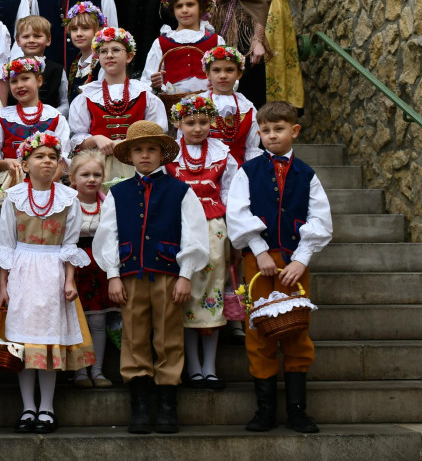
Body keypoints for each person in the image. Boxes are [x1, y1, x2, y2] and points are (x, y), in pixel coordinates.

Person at [94, 120, 209, 434]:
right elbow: (108, 235)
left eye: (151, 149)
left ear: (162, 154)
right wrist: (113, 275)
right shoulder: (118, 194)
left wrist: (186, 274)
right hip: (130, 275)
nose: (145, 155)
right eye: (139, 150)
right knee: (133, 335)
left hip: (169, 275)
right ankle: (141, 405)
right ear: (130, 156)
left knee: (168, 336)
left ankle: (168, 402)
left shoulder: (180, 191)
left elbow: (195, 235)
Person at [226, 100, 333, 434]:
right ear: (259, 133)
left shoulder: (308, 175)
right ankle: (265, 409)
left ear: (294, 131)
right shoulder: (248, 172)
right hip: (257, 263)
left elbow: (320, 218)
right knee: (259, 331)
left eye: (279, 129)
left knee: (296, 329)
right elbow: (238, 213)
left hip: (294, 263)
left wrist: (302, 259)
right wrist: (258, 250)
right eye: (266, 130)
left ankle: (298, 409)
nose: (272, 135)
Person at [0, 131, 95, 434]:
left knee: (48, 343)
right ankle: (27, 407)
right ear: (24, 163)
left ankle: (47, 407)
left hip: (53, 273)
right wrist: (3, 286)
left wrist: (70, 280)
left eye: (52, 156)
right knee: (23, 343)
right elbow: (6, 245)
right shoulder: (13, 198)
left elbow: (70, 245)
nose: (47, 161)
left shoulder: (68, 198)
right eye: (39, 156)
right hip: (22, 271)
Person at [166, 95, 239, 390]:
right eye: (190, 122)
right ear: (178, 123)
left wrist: (234, 237)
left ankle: (209, 366)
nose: (197, 128)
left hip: (214, 227)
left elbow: (231, 197)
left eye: (203, 122)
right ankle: (193, 366)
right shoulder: (169, 154)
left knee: (213, 292)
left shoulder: (223, 153)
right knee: (186, 292)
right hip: (179, 226)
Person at [68, 27, 167, 183]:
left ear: (129, 56)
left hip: (138, 163)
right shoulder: (87, 96)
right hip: (100, 166)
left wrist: (132, 141)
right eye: (103, 51)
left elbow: (157, 134)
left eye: (115, 50)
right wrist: (97, 139)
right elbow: (78, 139)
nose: (109, 55)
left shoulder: (144, 94)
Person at [68, 148, 118, 389]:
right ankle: (79, 371)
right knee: (77, 321)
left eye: (97, 175)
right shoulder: (67, 203)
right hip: (73, 267)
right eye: (85, 174)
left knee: (98, 322)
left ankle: (97, 371)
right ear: (72, 178)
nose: (91, 179)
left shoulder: (108, 203)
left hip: (100, 266)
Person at [139, 0, 224, 95]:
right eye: (179, 6)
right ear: (172, 10)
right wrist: (156, 84)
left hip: (209, 105)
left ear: (201, 7)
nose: (185, 10)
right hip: (171, 106)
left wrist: (219, 84)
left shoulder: (216, 41)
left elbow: (227, 74)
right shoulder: (162, 43)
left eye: (190, 4)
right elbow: (147, 80)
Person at [0, 57, 71, 180]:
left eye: (25, 79)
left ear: (39, 80)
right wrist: (6, 163)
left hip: (48, 182)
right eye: (14, 81)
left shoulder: (55, 117)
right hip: (11, 182)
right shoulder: (3, 118)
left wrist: (45, 185)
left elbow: (62, 160)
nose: (19, 85)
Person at [198, 46, 264, 167]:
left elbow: (251, 149)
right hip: (202, 173)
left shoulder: (248, 108)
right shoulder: (197, 105)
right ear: (208, 74)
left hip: (238, 174)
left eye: (229, 70)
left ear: (239, 74)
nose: (223, 75)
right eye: (216, 70)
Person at [9, 16, 69, 114]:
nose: (31, 40)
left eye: (37, 36)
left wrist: (50, 117)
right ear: (18, 41)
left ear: (48, 40)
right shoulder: (11, 68)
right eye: (26, 36)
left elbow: (65, 103)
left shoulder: (57, 70)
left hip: (50, 125)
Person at [65, 2, 106, 103]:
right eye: (74, 29)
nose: (79, 34)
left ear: (99, 30)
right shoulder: (76, 62)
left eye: (85, 28)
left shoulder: (103, 63)